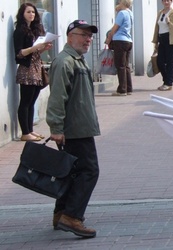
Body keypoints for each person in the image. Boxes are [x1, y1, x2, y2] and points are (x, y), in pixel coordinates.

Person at [46, 19, 100, 238]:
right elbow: (57, 98)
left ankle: (61, 213)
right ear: (70, 36)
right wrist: (56, 127)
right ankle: (72, 216)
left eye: (90, 36)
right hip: (75, 129)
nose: (88, 39)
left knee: (71, 172)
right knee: (89, 171)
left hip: (81, 126)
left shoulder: (77, 60)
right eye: (83, 35)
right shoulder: (65, 61)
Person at [13, 3, 52, 142]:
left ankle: (30, 130)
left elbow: (35, 52)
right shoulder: (19, 31)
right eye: (29, 12)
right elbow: (19, 53)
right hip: (27, 69)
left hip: (37, 67)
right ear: (22, 14)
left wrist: (43, 48)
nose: (32, 15)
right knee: (25, 101)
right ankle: (25, 132)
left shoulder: (34, 30)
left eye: (33, 12)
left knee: (32, 101)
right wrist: (34, 47)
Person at [152, 0, 173, 91]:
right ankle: (166, 81)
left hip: (170, 39)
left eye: (168, 1)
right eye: (164, 1)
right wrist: (156, 41)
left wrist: (169, 22)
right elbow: (157, 27)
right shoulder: (160, 13)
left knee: (170, 62)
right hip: (161, 39)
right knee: (160, 61)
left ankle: (169, 83)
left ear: (171, 2)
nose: (166, 2)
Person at [105, 0, 133, 96]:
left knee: (120, 65)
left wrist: (109, 38)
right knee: (126, 65)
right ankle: (129, 88)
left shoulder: (122, 13)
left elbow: (115, 27)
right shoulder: (130, 13)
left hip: (120, 40)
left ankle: (122, 89)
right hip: (128, 41)